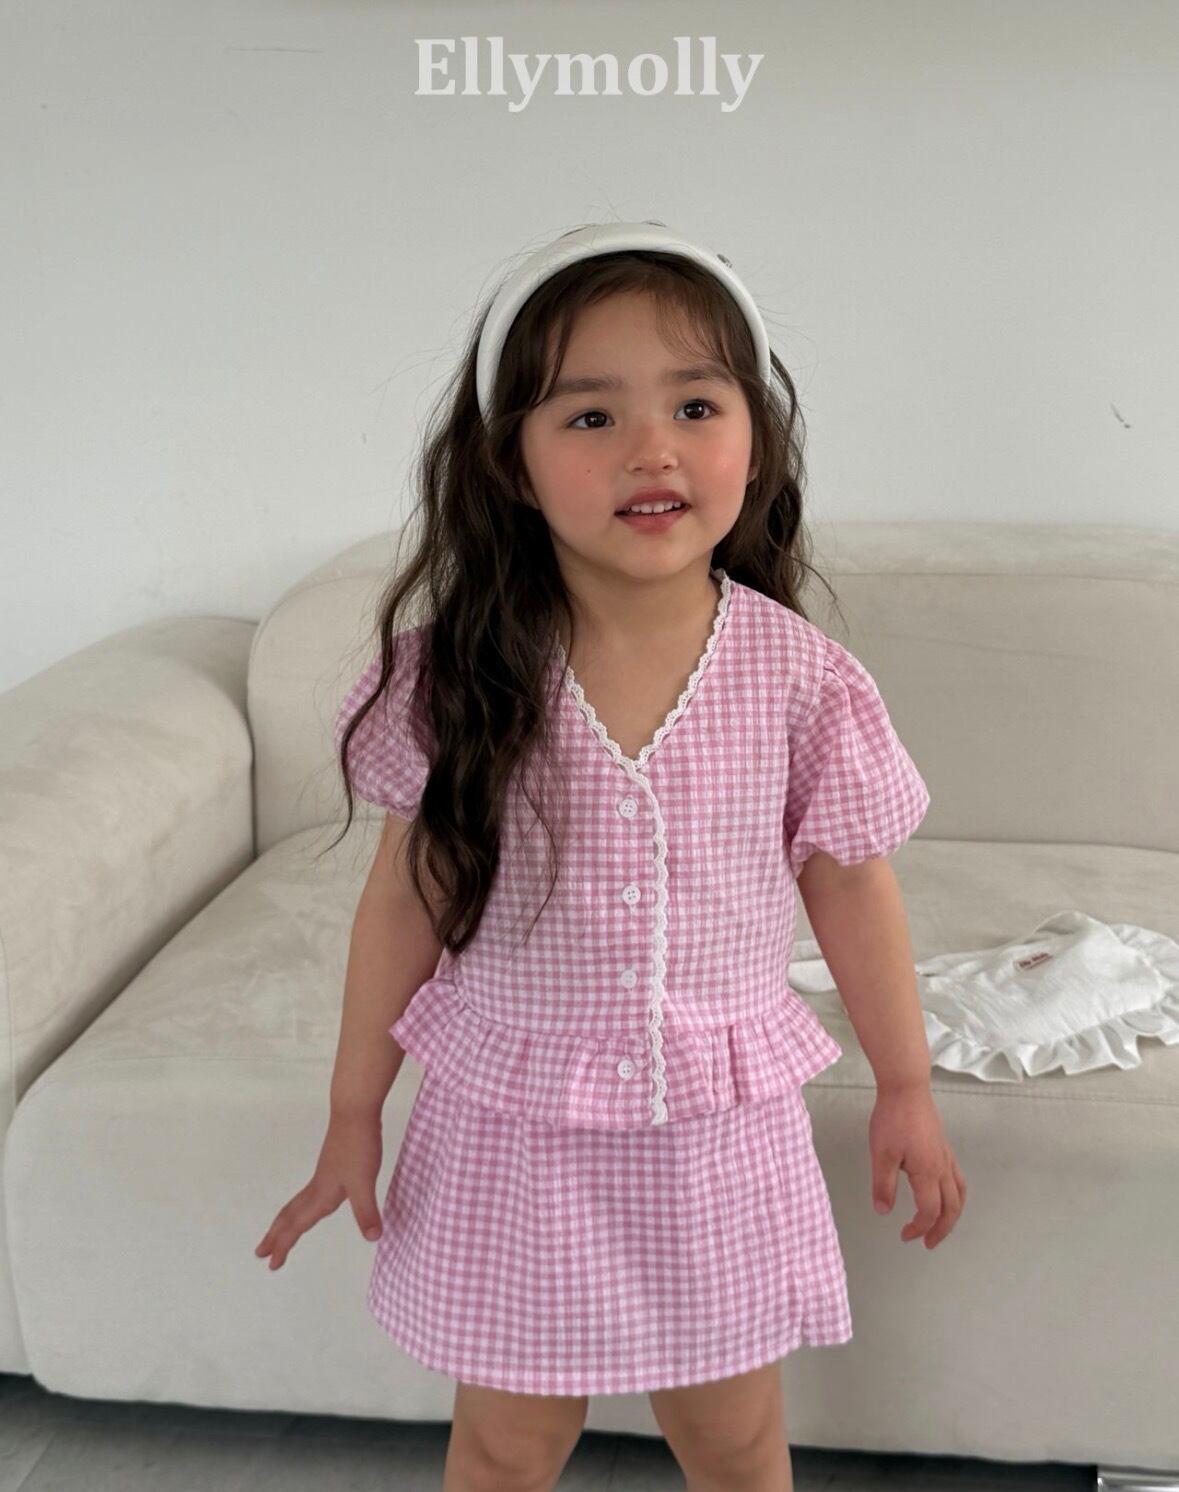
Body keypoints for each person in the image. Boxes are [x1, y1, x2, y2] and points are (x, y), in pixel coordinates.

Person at [255, 220, 966, 1492]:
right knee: (506, 1443)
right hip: (515, 1136)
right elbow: (404, 902)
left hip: (715, 1140)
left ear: (756, 438)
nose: (652, 449)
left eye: (695, 405)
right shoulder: (458, 678)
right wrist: (353, 1112)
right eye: (590, 416)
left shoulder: (802, 682)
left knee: (735, 1442)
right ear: (512, 467)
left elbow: (854, 884)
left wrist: (905, 1084)